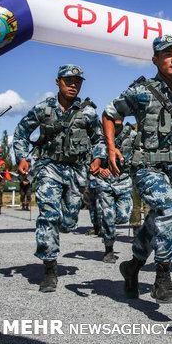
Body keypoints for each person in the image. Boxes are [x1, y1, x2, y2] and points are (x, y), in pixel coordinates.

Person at [103, 34, 172, 304]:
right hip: (146, 166)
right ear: (155, 59)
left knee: (155, 222)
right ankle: (162, 277)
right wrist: (111, 148)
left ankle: (132, 267)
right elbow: (110, 113)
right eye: (168, 54)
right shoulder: (141, 92)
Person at [13, 64, 106, 292]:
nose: (73, 85)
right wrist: (22, 157)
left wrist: (97, 158)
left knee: (67, 223)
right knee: (48, 216)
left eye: (78, 81)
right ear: (58, 82)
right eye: (68, 80)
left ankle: (60, 235)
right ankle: (49, 269)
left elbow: (99, 140)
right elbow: (21, 132)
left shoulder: (88, 112)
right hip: (49, 166)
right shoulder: (43, 108)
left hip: (76, 171)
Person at [95, 118, 135, 263]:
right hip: (105, 182)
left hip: (124, 180)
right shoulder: (98, 135)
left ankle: (110, 225)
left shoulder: (132, 135)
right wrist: (99, 169)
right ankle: (109, 249)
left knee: (124, 216)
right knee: (108, 216)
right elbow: (87, 157)